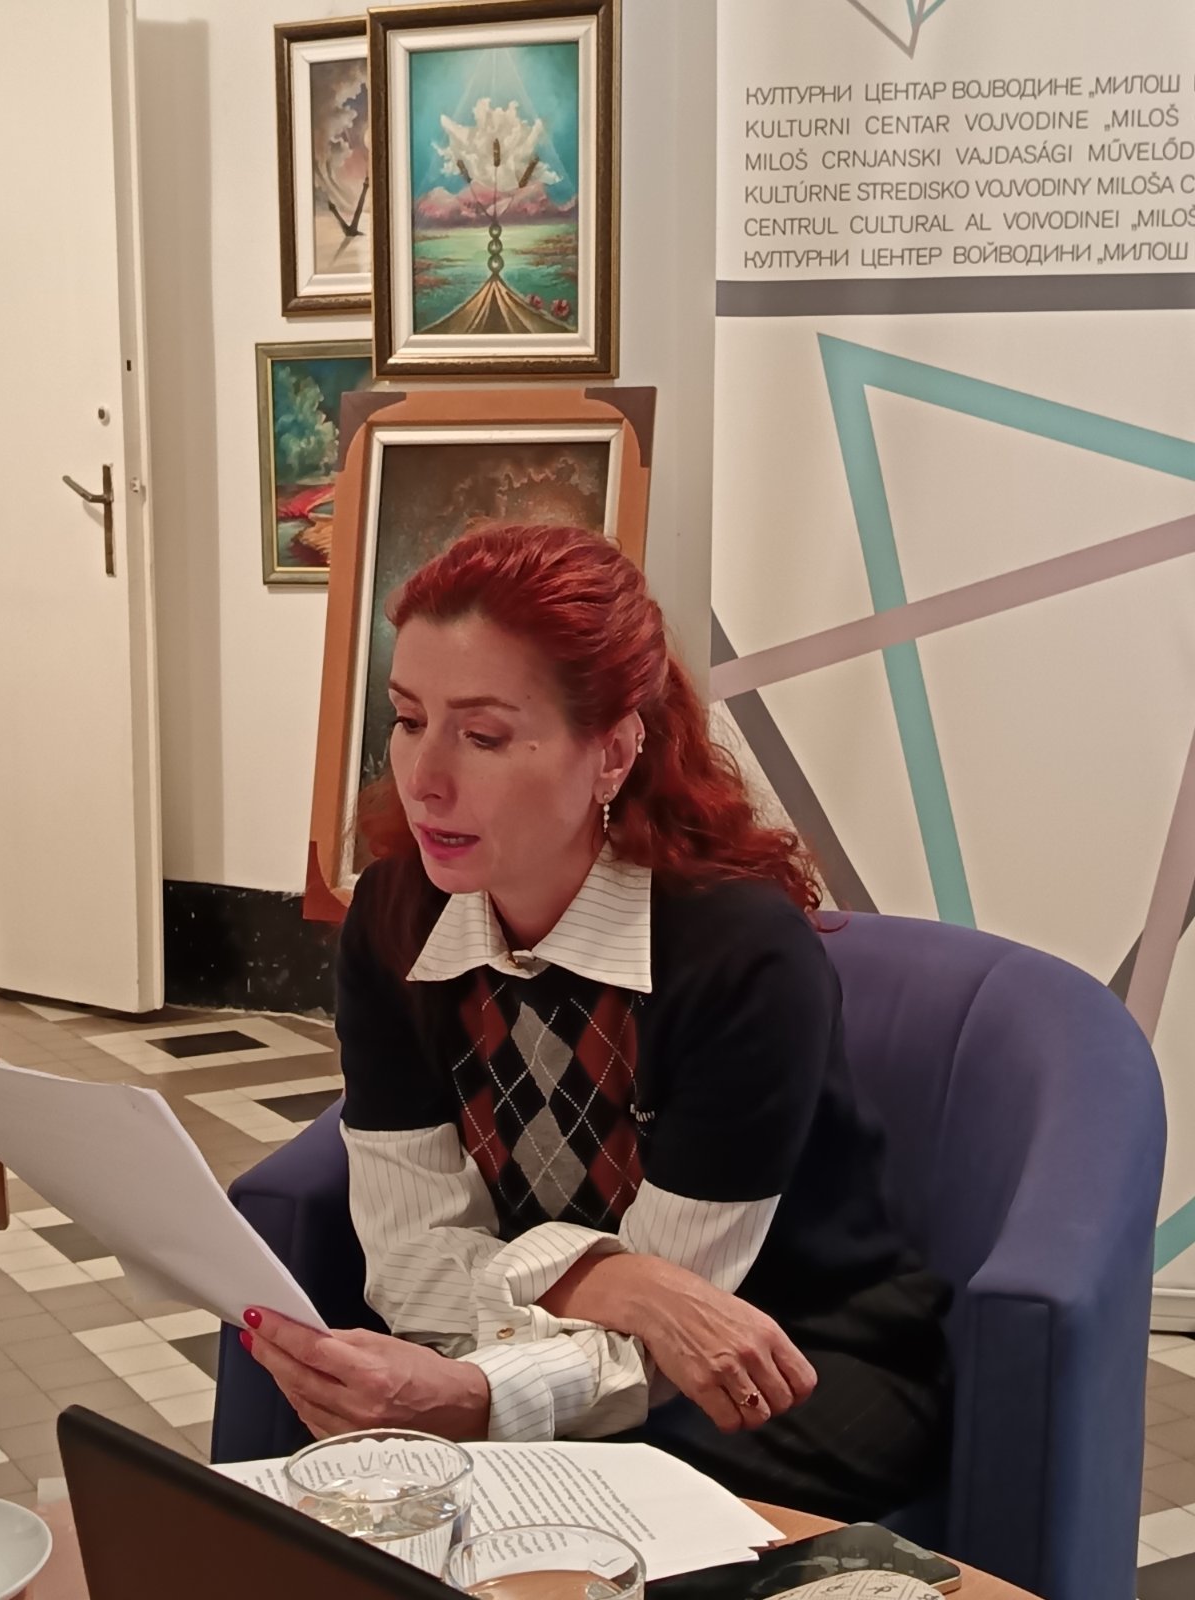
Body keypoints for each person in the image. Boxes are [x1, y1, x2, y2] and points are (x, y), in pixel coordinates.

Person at [241, 523, 952, 1520]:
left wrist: (485, 1394)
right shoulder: (394, 919)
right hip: (531, 1343)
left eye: (483, 736)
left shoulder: (741, 957)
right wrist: (604, 1284)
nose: (425, 776)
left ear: (614, 750)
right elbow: (407, 1260)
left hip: (781, 1359)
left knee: (557, 1499)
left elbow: (686, 1324)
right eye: (407, 719)